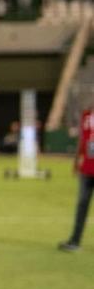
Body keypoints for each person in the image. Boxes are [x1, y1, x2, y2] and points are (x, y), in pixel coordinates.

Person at [61, 101, 94, 252]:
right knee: (81, 205)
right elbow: (82, 140)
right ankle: (75, 241)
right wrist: (76, 162)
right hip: (86, 169)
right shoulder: (86, 116)